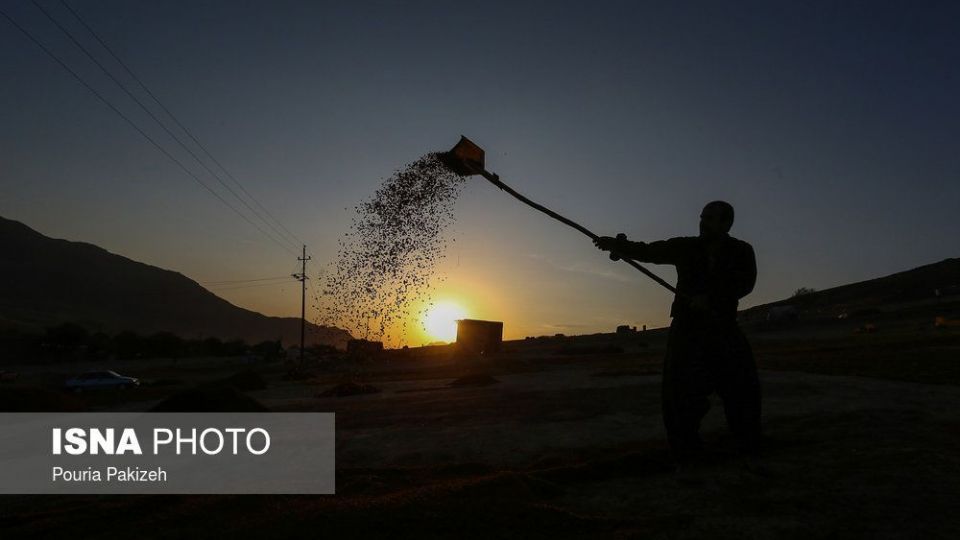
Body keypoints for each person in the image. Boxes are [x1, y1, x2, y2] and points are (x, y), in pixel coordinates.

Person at [594, 201, 761, 467]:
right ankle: (685, 451)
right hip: (688, 329)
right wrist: (617, 245)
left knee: (742, 386)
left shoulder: (741, 251)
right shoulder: (685, 246)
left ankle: (748, 443)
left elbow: (745, 283)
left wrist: (712, 298)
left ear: (726, 223)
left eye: (709, 218)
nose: (702, 222)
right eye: (702, 217)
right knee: (679, 392)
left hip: (723, 326)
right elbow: (649, 251)